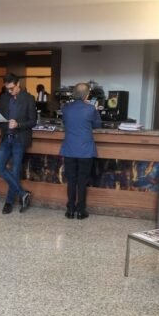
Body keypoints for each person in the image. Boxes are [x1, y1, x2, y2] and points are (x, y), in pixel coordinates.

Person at [0, 73, 35, 214]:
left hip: (20, 139)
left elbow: (32, 121)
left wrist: (18, 124)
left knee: (15, 170)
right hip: (6, 137)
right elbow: (2, 117)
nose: (9, 91)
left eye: (11, 88)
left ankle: (9, 202)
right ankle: (23, 193)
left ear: (18, 84)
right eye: (7, 89)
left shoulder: (29, 98)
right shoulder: (4, 98)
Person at [60, 82, 102, 220]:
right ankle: (81, 211)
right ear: (87, 95)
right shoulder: (90, 109)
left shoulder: (66, 108)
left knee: (71, 181)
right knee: (82, 182)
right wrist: (95, 109)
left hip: (69, 150)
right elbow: (97, 125)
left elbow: (65, 123)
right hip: (85, 151)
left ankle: (70, 210)